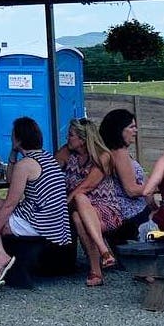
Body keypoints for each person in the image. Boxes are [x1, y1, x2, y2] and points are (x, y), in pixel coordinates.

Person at [0, 117, 70, 294]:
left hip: (38, 222)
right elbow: (10, 180)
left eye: (13, 135)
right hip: (55, 223)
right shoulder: (46, 158)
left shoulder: (25, 165)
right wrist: (13, 154)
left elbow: (10, 204)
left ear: (18, 139)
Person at [55, 117, 129, 287]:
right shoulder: (69, 153)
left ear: (82, 139)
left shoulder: (103, 156)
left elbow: (86, 186)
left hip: (106, 210)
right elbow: (51, 168)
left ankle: (97, 268)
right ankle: (104, 254)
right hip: (80, 208)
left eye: (71, 135)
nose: (67, 138)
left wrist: (63, 205)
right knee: (78, 209)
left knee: (78, 211)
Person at [98, 107, 154, 240]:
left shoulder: (111, 152)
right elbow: (131, 190)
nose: (136, 130)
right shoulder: (119, 153)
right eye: (131, 127)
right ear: (119, 130)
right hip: (132, 216)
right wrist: (157, 186)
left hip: (132, 214)